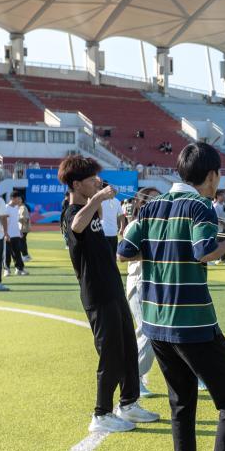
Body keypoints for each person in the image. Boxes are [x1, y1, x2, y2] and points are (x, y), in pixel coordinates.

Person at [119, 143, 225, 451]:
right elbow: (203, 251)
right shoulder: (200, 206)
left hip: (155, 321)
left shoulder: (151, 206)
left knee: (181, 400)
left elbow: (124, 252)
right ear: (211, 176)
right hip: (192, 321)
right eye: (218, 176)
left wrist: (163, 250)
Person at [58, 155, 158, 434]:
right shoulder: (71, 212)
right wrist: (97, 198)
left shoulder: (91, 210)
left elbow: (97, 221)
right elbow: (77, 225)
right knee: (111, 353)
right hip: (97, 292)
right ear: (76, 185)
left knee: (128, 346)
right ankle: (101, 414)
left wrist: (98, 199)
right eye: (91, 180)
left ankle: (129, 403)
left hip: (112, 287)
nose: (97, 183)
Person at [124, 186, 162, 399]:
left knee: (160, 332)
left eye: (158, 200)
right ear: (140, 203)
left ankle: (192, 376)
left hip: (157, 283)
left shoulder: (163, 226)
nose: (154, 204)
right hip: (139, 283)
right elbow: (123, 254)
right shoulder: (135, 225)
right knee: (147, 332)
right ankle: (133, 379)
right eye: (149, 200)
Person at [3, 192, 28, 277]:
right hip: (8, 235)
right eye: (18, 199)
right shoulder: (6, 208)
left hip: (16, 234)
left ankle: (19, 269)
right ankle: (6, 269)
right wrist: (5, 233)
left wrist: (20, 230)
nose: (20, 200)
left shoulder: (17, 208)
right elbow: (3, 222)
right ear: (13, 198)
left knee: (17, 253)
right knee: (7, 253)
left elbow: (17, 221)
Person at [101, 192, 126, 256]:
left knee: (103, 256)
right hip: (112, 232)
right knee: (112, 256)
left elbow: (122, 215)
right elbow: (122, 215)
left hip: (104, 232)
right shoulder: (117, 201)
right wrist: (122, 228)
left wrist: (122, 228)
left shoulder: (100, 200)